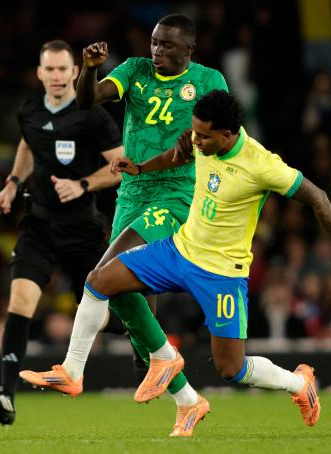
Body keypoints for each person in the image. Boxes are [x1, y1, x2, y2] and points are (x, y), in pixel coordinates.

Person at [21, 90, 331, 432]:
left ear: (228, 135)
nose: (196, 140)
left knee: (230, 368)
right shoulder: (204, 137)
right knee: (98, 281)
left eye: (204, 136)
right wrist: (141, 167)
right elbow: (180, 154)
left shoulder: (262, 164)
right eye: (195, 132)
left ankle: (298, 384)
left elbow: (320, 199)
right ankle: (73, 371)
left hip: (221, 274)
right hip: (178, 250)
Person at [68, 13, 228, 436]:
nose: (157, 51)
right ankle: (188, 400)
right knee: (118, 293)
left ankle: (74, 369)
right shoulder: (135, 70)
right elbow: (87, 101)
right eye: (155, 43)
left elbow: (219, 138)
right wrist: (89, 68)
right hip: (132, 192)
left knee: (103, 276)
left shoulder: (209, 81)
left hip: (176, 192)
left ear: (188, 50)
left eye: (167, 46)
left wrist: (188, 148)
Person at [0, 40, 125, 425]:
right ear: (40, 73)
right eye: (51, 70)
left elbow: (121, 165)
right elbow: (28, 146)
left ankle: (148, 354)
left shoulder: (92, 114)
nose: (58, 76)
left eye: (64, 69)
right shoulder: (29, 109)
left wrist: (83, 185)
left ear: (75, 73)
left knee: (107, 316)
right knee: (19, 302)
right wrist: (11, 184)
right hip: (39, 224)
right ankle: (6, 397)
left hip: (82, 229)